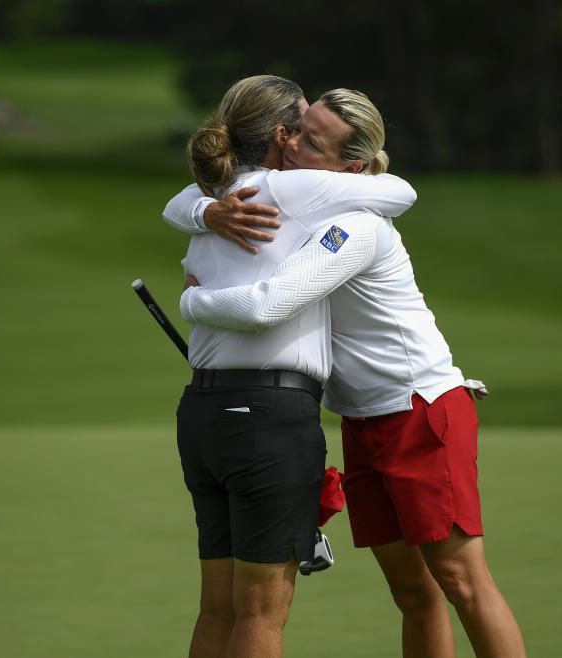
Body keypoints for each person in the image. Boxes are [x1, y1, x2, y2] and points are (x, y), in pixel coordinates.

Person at [171, 89, 527, 658]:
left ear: (350, 168)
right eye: (295, 129)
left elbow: (271, 303)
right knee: (414, 592)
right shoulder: (291, 201)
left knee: (461, 583)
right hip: (362, 421)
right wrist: (204, 209)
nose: (292, 145)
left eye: (311, 141)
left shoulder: (356, 224)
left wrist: (195, 302)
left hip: (419, 409)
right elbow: (194, 194)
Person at [170, 75, 418, 658]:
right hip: (269, 418)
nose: (308, 138)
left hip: (203, 414)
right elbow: (400, 192)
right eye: (303, 126)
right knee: (260, 613)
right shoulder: (299, 190)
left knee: (218, 608)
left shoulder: (209, 200)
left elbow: (179, 204)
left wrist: (204, 210)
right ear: (281, 136)